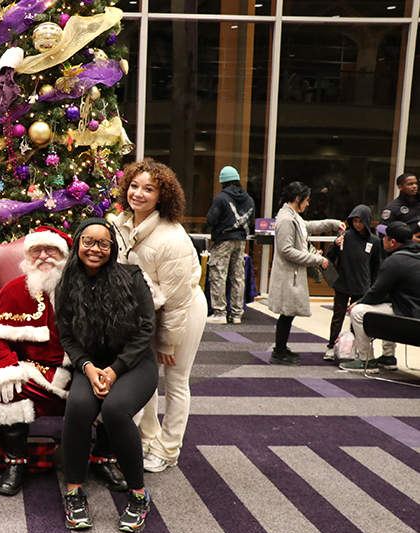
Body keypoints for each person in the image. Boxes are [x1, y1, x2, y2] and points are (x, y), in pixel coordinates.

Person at [0, 226, 126, 496]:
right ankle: (16, 462)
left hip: (81, 372)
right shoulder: (13, 291)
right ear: (27, 257)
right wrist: (6, 368)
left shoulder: (85, 288)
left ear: (65, 254)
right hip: (31, 373)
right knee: (7, 390)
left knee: (114, 391)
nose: (44, 256)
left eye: (52, 250)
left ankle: (103, 459)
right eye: (37, 250)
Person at [55, 218, 158, 533]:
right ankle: (74, 491)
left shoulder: (131, 277)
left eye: (103, 243)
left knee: (115, 410)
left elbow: (145, 329)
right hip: (92, 365)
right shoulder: (66, 283)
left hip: (135, 362)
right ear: (77, 244)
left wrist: (115, 371)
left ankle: (138, 495)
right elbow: (68, 337)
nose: (95, 249)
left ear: (112, 248)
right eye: (88, 241)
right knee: (78, 407)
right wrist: (87, 367)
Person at [112, 159, 207, 474]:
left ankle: (168, 449)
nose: (138, 194)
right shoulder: (122, 222)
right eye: (135, 186)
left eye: (149, 189)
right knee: (145, 380)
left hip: (182, 311)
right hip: (147, 312)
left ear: (161, 196)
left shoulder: (171, 238)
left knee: (176, 380)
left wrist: (167, 342)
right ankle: (147, 439)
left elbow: (178, 299)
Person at [267, 181, 343, 365]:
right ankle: (278, 352)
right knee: (287, 313)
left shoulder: (291, 216)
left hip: (291, 274)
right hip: (287, 275)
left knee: (289, 313)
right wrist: (317, 259)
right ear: (298, 199)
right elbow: (286, 251)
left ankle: (281, 348)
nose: (309, 204)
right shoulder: (286, 219)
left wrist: (333, 224)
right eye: (307, 200)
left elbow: (308, 227)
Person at [339, 222, 420, 373]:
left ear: (393, 242)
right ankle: (388, 357)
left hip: (411, 321)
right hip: (412, 315)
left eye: (384, 237)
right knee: (390, 306)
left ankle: (366, 360)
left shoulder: (395, 261)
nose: (382, 239)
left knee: (358, 311)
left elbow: (377, 292)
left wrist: (357, 303)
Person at [322, 204, 381, 361]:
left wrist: (373, 285)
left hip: (361, 285)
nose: (357, 224)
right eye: (355, 221)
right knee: (338, 316)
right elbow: (330, 256)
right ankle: (330, 346)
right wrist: (336, 244)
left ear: (367, 221)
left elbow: (375, 266)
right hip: (342, 283)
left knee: (356, 318)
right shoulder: (345, 236)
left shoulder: (374, 241)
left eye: (361, 221)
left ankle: (354, 348)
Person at [205, 166, 255, 324]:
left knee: (218, 275)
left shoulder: (221, 198)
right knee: (238, 276)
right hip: (241, 240)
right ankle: (236, 313)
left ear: (223, 182)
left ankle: (219, 313)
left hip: (223, 240)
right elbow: (251, 221)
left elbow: (211, 220)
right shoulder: (249, 199)